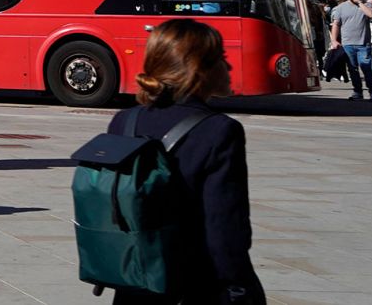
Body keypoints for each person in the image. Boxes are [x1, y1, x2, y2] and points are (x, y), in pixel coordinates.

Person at [105, 19, 264, 304]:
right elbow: (224, 227)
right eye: (221, 59)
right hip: (192, 283)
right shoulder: (219, 130)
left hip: (134, 283)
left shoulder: (124, 121)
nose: (228, 68)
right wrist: (239, 288)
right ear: (198, 69)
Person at [328, 0, 372, 101]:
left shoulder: (366, 5)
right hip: (347, 44)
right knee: (352, 69)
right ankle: (357, 92)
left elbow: (371, 14)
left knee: (366, 68)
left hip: (363, 44)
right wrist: (334, 40)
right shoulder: (341, 8)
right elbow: (336, 24)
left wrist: (359, 3)